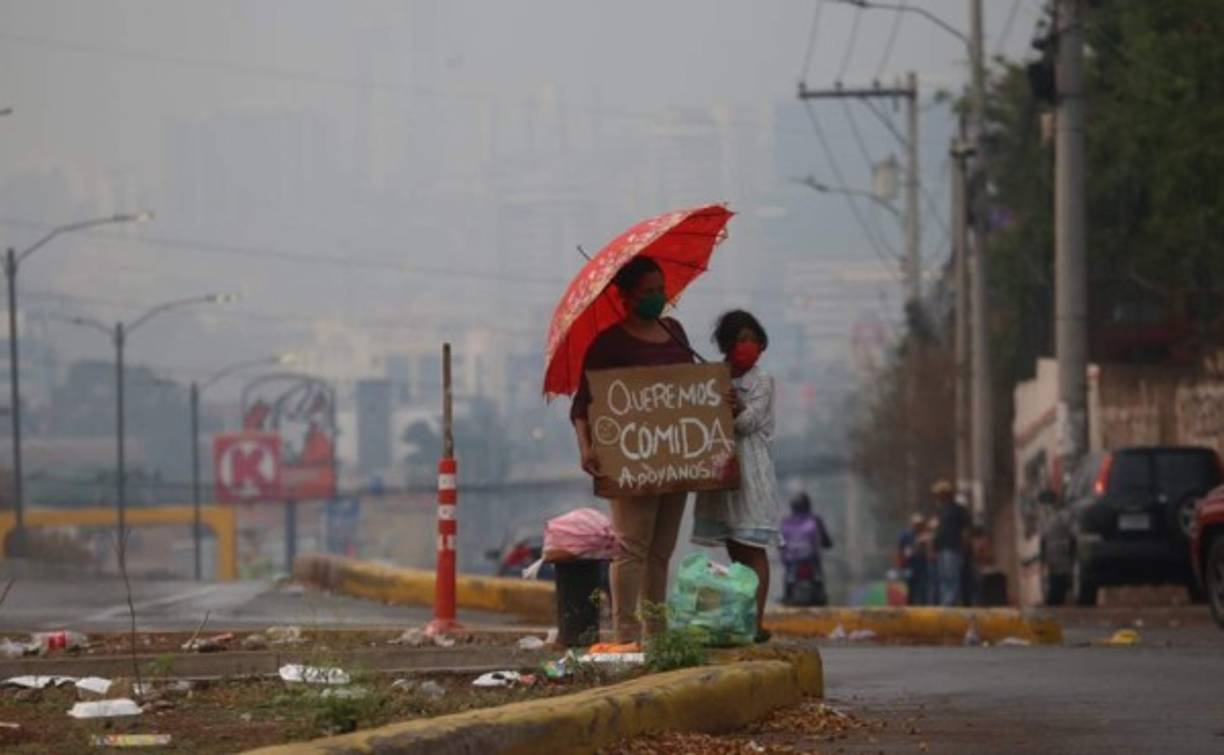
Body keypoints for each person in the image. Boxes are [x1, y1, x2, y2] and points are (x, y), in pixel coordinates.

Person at [570, 256, 694, 644]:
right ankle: (625, 635)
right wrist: (587, 448)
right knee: (631, 547)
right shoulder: (609, 344)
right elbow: (583, 403)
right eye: (648, 292)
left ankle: (657, 633)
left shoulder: (675, 332)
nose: (657, 297)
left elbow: (693, 388)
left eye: (661, 290)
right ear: (625, 297)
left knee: (661, 551)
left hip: (676, 456)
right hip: (629, 460)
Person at [692, 310, 781, 642]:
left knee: (752, 546)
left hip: (750, 473)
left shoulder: (762, 381)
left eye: (753, 339)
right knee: (734, 545)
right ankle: (742, 619)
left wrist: (735, 405)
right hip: (721, 469)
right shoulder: (715, 377)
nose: (748, 345)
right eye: (741, 339)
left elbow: (748, 423)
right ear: (728, 343)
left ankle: (755, 622)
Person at [780, 492, 834, 607]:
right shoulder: (815, 520)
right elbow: (826, 541)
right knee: (818, 575)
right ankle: (821, 593)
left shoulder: (786, 522)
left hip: (792, 560)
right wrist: (827, 544)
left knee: (788, 575)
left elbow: (781, 543)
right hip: (811, 559)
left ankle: (786, 594)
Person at [931, 479, 970, 607]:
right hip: (941, 548)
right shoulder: (939, 511)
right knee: (943, 577)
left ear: (946, 494)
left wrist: (965, 544)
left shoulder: (957, 510)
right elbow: (936, 531)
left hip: (953, 547)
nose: (938, 496)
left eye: (940, 494)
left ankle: (951, 602)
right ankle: (945, 602)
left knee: (951, 576)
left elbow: (965, 528)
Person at [897, 513, 930, 606]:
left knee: (922, 589)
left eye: (920, 524)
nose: (918, 526)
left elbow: (927, 552)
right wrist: (901, 563)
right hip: (910, 566)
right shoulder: (906, 536)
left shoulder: (924, 536)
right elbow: (901, 551)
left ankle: (922, 607)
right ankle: (909, 606)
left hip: (922, 566)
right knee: (910, 589)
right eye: (916, 524)